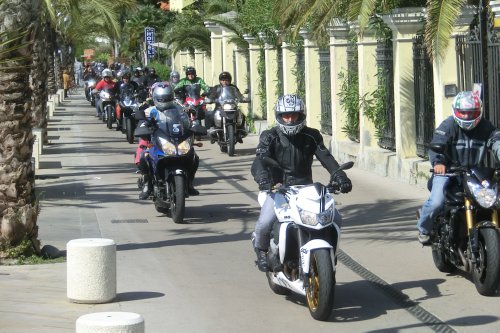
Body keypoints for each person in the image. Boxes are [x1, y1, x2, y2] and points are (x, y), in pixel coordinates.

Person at [250, 94, 353, 271]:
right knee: (264, 223)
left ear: (301, 115)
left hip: (306, 188)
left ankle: (330, 256)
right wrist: (264, 179)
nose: (289, 120)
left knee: (336, 218)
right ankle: (261, 252)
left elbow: (326, 157)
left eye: (294, 115)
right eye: (286, 116)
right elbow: (259, 160)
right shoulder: (270, 136)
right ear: (279, 116)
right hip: (278, 189)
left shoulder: (311, 136)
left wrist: (340, 176)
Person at [416, 89, 500, 244]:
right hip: (448, 172)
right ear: (456, 111)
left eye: (471, 112)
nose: (467, 116)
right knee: (436, 202)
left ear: (479, 111)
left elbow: (495, 140)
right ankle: (424, 228)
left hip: (474, 173)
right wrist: (439, 163)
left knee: (494, 200)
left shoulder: (485, 126)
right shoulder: (448, 125)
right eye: (463, 113)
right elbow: (437, 143)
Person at [137, 84, 201, 199]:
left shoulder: (178, 108)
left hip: (176, 139)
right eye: (162, 99)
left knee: (194, 157)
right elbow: (142, 121)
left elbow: (186, 120)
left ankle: (190, 183)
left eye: (167, 98)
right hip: (158, 141)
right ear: (156, 98)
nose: (164, 101)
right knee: (143, 156)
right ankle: (147, 184)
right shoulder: (151, 111)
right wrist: (144, 126)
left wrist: (194, 124)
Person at [206, 71, 248, 140]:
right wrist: (210, 99)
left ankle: (241, 129)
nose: (225, 82)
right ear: (220, 81)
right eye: (223, 80)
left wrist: (242, 98)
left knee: (242, 114)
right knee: (212, 115)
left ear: (229, 80)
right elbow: (212, 95)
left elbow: (238, 95)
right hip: (220, 106)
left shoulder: (233, 87)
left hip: (232, 106)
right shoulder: (216, 88)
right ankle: (212, 128)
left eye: (226, 80)